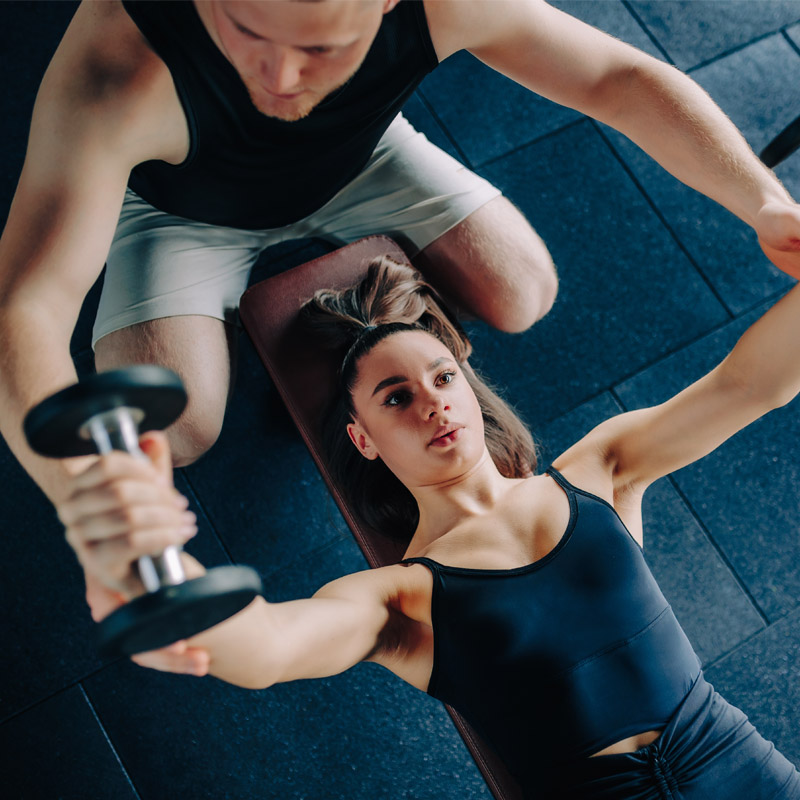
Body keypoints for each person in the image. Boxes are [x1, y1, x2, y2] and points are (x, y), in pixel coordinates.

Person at [59, 257, 800, 799]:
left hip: (742, 768)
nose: (433, 404)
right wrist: (150, 564)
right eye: (396, 398)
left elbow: (748, 384)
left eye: (444, 378)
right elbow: (265, 647)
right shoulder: (397, 600)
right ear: (364, 440)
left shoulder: (601, 470)